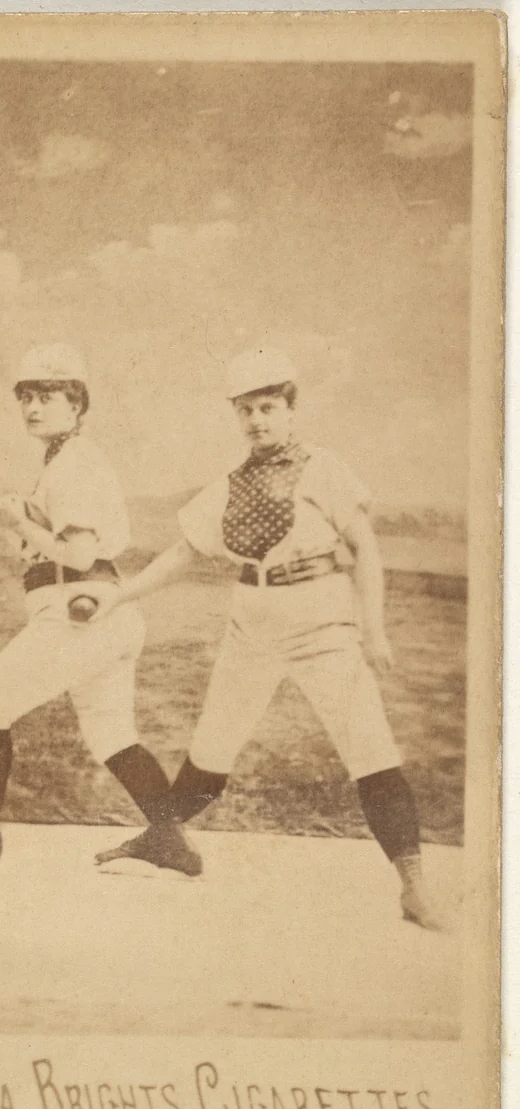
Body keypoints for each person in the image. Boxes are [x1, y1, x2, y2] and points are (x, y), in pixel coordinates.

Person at [65, 346, 443, 930]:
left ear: (291, 408)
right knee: (211, 750)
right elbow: (184, 552)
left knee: (370, 748)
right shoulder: (230, 484)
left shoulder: (325, 467)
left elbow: (365, 546)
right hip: (252, 625)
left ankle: (414, 887)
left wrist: (374, 628)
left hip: (322, 621)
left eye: (268, 406)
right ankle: (166, 838)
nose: (256, 420)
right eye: (244, 410)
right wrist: (122, 594)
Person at [0, 343, 176, 864]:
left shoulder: (74, 463)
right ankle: (170, 839)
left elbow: (77, 554)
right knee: (113, 736)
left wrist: (15, 519)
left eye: (48, 396)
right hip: (108, 612)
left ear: (76, 404)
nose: (33, 408)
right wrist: (22, 516)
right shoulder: (66, 458)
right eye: (26, 397)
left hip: (79, 609)